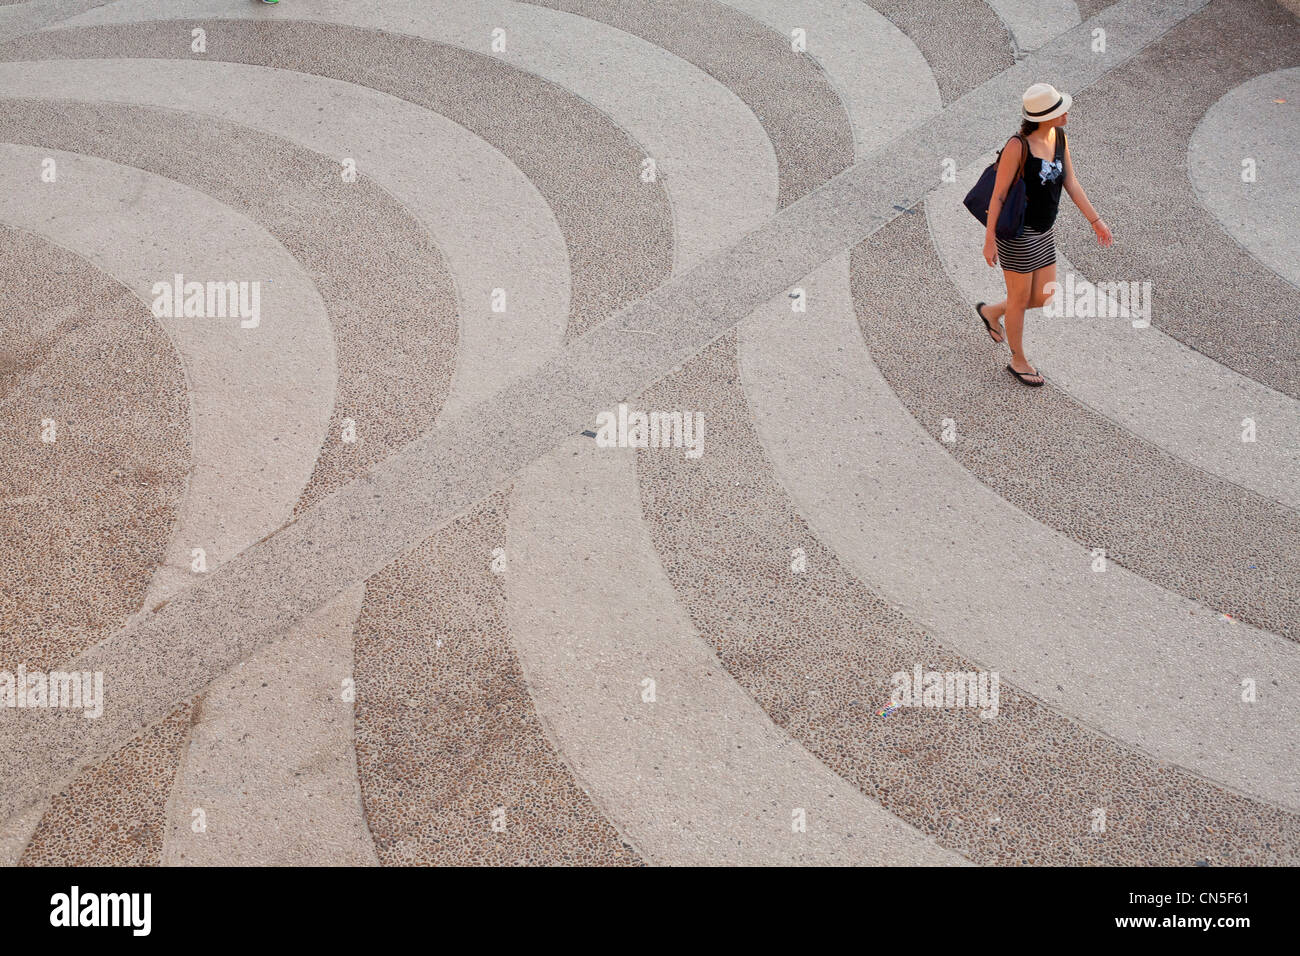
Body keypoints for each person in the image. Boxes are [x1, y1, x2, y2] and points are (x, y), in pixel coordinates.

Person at [975, 83, 1113, 386]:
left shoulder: (1059, 137)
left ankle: (990, 311)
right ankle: (1018, 360)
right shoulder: (1018, 146)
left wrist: (1096, 220)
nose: (1066, 113)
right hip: (1018, 234)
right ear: (1045, 115)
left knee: (1044, 296)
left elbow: (1071, 183)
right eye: (1061, 110)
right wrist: (989, 241)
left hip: (1044, 232)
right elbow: (998, 196)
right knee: (1020, 299)